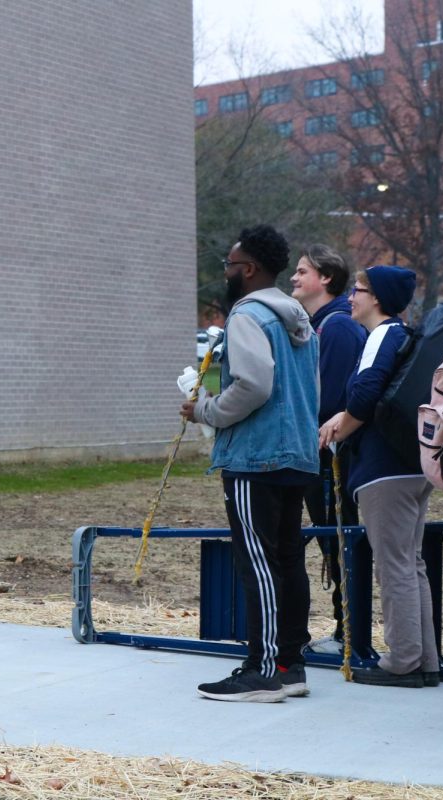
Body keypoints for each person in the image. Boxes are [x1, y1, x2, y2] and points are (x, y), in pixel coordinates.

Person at [181, 225, 319, 702]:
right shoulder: (299, 317)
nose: (226, 272)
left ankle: (263, 671)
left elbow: (254, 385)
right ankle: (290, 664)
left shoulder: (247, 316)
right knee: (286, 560)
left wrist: (206, 411)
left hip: (256, 456)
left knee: (257, 561)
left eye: (230, 265)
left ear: (249, 269)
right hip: (299, 455)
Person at [319, 266, 438, 687]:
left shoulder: (381, 335)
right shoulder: (403, 337)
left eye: (359, 290)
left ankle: (403, 661)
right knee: (412, 563)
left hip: (383, 471)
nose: (352, 296)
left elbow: (364, 395)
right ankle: (424, 659)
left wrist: (338, 428)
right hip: (412, 467)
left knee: (395, 566)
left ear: (378, 299)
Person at [290, 245, 367, 654]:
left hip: (330, 459)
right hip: (323, 456)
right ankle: (346, 630)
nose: (294, 278)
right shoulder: (324, 323)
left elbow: (330, 400)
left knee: (338, 543)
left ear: (326, 279)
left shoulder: (335, 327)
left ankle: (349, 634)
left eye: (303, 271)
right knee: (334, 544)